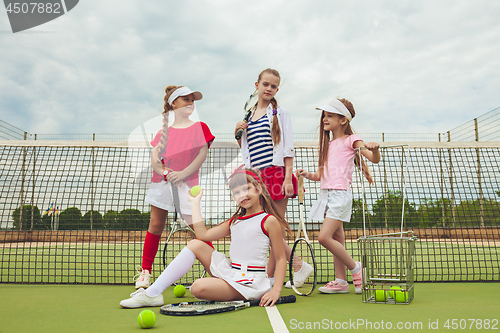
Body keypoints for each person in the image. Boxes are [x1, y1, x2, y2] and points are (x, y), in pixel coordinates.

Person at [120, 167, 290, 308]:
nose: (241, 195)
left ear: (259, 189)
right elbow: (203, 235)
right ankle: (153, 293)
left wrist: (275, 290)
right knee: (195, 243)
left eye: (246, 189)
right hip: (232, 272)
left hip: (251, 282)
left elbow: (281, 258)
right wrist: (194, 203)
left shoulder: (269, 221)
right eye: (236, 192)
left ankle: (153, 294)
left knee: (198, 287)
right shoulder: (234, 222)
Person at [234, 68, 312, 288]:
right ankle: (275, 275)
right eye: (265, 84)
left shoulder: (281, 113)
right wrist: (238, 133)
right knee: (264, 229)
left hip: (276, 175)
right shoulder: (248, 116)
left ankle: (290, 269)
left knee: (271, 230)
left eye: (274, 86)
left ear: (277, 89)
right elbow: (249, 151)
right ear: (256, 85)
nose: (269, 88)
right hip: (256, 179)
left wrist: (288, 178)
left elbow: (287, 149)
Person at [296, 98, 380, 294]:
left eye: (330, 115)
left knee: (324, 238)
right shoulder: (327, 145)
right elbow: (320, 176)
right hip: (326, 196)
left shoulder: (352, 139)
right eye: (324, 115)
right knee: (337, 238)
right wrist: (306, 174)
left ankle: (356, 269)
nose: (325, 118)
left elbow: (373, 159)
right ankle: (341, 282)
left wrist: (375, 151)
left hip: (340, 196)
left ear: (343, 120)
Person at [134, 85, 215, 289]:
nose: (190, 103)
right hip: (162, 184)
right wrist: (166, 173)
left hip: (188, 186)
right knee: (155, 225)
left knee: (198, 230)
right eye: (186, 99)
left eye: (192, 100)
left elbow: (202, 154)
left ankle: (218, 270)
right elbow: (154, 160)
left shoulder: (200, 127)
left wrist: (183, 174)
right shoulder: (163, 132)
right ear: (173, 104)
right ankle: (145, 273)